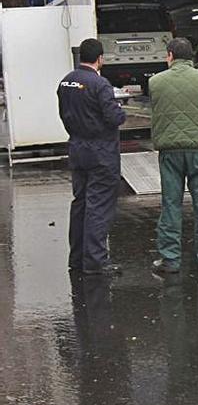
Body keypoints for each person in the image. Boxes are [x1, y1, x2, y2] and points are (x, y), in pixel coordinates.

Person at [149, 38, 198, 275]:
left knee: (171, 204)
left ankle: (170, 260)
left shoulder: (155, 82)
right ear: (191, 57)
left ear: (170, 55)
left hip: (170, 151)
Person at [57, 38, 126, 276]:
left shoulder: (66, 82)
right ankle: (96, 262)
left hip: (77, 148)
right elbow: (114, 117)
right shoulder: (100, 84)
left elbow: (63, 114)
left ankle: (77, 258)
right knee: (98, 206)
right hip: (101, 153)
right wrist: (120, 110)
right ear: (100, 59)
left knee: (80, 203)